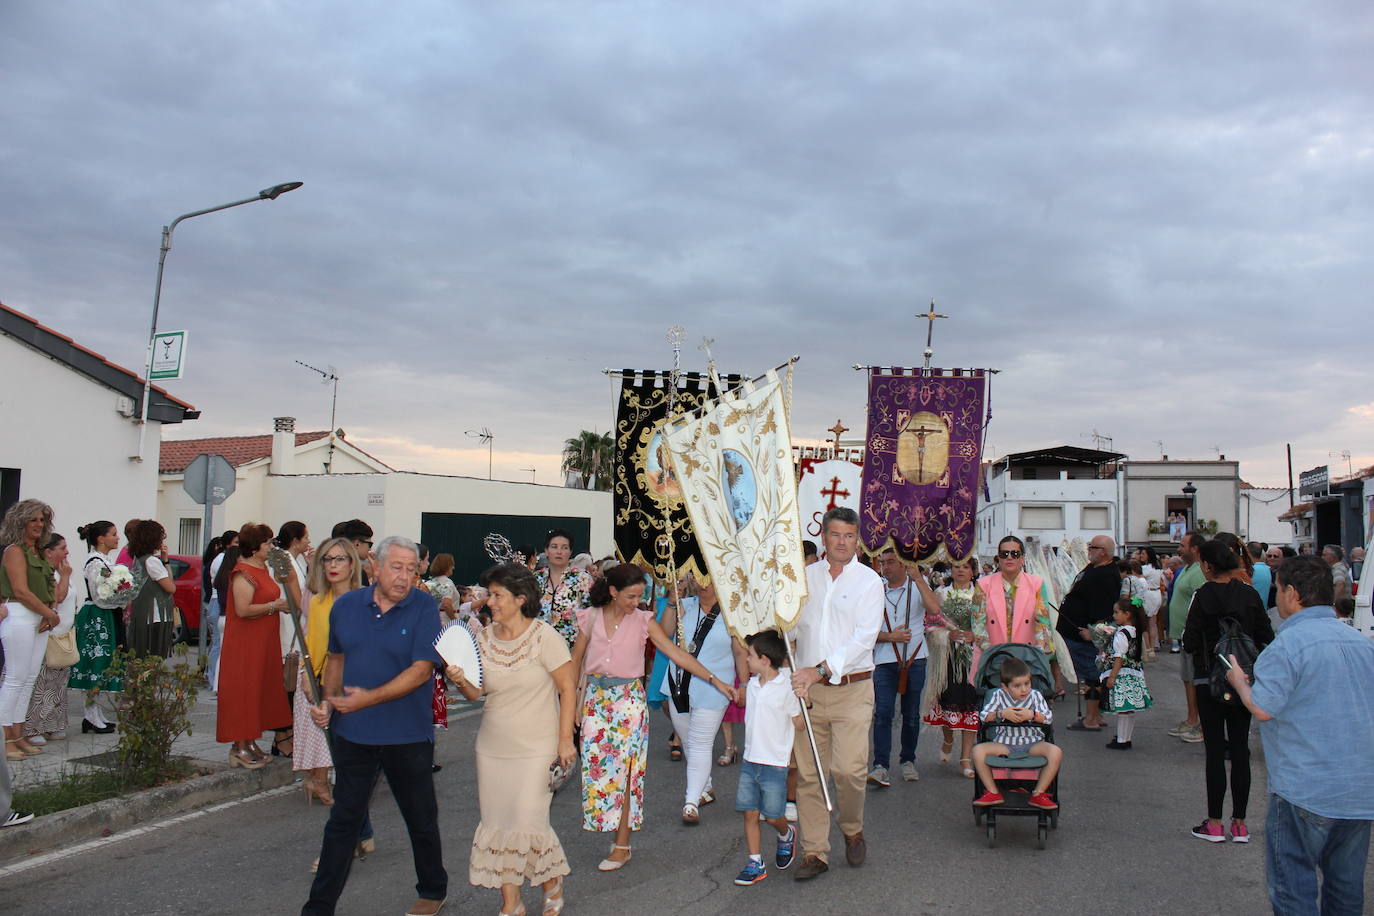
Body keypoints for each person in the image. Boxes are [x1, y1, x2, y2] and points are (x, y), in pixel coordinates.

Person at [303, 535, 447, 916]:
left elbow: (420, 671)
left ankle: (433, 889)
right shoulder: (346, 606)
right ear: (374, 568)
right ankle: (318, 908)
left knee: (420, 818)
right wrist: (328, 702)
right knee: (343, 822)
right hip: (353, 733)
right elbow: (336, 658)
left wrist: (367, 698)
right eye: (396, 568)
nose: (404, 577)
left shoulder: (424, 607)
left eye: (412, 569)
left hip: (408, 735)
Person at [1225, 555, 1374, 913]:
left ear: (1292, 593)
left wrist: (1239, 683)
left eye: (1277, 589)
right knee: (1346, 888)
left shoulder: (1287, 645)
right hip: (1359, 788)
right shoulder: (1362, 642)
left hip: (1305, 788)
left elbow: (1263, 707)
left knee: (1294, 889)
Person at [569, 562, 733, 872]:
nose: (637, 603)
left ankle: (621, 844)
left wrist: (714, 680)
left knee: (629, 773)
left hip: (629, 701)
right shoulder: (589, 618)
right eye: (631, 596)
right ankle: (608, 826)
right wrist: (571, 707)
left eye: (640, 596)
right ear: (613, 592)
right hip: (594, 701)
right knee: (598, 771)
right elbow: (574, 663)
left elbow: (678, 653)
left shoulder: (644, 621)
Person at [447, 563, 576, 916]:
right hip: (492, 748)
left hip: (537, 748)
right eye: (489, 594)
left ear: (520, 599)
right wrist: (459, 679)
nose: (489, 601)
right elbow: (477, 693)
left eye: (497, 595)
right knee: (498, 824)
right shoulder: (484, 639)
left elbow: (567, 687)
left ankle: (551, 881)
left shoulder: (543, 635)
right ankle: (511, 903)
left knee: (528, 822)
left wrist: (565, 740)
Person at [788, 507, 884, 881]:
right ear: (823, 536)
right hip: (809, 693)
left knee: (849, 770)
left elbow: (864, 639)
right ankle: (815, 852)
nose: (841, 542)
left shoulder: (868, 582)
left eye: (848, 535)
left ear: (856, 538)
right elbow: (791, 628)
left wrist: (823, 668)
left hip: (852, 690)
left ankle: (852, 828)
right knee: (810, 776)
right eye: (834, 535)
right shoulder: (803, 579)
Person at [1182, 539, 1274, 843]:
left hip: (1210, 679)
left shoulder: (1202, 596)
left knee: (1214, 753)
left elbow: (1190, 641)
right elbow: (1265, 635)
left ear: (1207, 566)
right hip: (1242, 680)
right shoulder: (1248, 594)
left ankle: (1214, 823)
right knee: (1239, 750)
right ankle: (1240, 824)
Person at [658, 576, 747, 823]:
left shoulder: (732, 611)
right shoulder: (685, 605)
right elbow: (664, 634)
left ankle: (690, 801)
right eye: (696, 577)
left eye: (706, 578)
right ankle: (705, 787)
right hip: (678, 684)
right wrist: (673, 602)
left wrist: (745, 684)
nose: (701, 583)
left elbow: (740, 652)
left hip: (715, 689)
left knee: (699, 743)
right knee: (688, 740)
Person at [217, 523, 292, 769]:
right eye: (268, 543)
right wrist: (275, 606)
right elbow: (243, 609)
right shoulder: (243, 572)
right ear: (255, 547)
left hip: (264, 640)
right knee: (244, 691)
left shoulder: (263, 569)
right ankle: (239, 746)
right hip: (246, 642)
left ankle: (249, 741)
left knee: (259, 690)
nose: (271, 547)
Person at [731, 629, 800, 887]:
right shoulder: (753, 686)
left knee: (772, 816)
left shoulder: (787, 686)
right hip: (751, 759)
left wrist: (806, 704)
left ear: (765, 660)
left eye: (750, 655)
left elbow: (799, 724)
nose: (745, 659)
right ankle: (755, 861)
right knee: (750, 813)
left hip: (775, 763)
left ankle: (785, 833)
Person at [0, 499, 61, 760]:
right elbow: (21, 591)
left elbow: (48, 585)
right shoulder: (14, 551)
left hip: (39, 618)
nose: (39, 524)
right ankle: (5, 740)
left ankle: (17, 734)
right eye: (33, 519)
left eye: (42, 520)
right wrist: (49, 613)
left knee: (27, 680)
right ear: (20, 521)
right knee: (15, 678)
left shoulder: (37, 551)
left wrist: (50, 611)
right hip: (19, 615)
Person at [868, 547, 929, 787]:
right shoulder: (875, 590)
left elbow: (934, 609)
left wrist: (919, 579)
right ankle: (880, 766)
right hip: (883, 661)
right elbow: (864, 631)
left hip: (915, 659)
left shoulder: (917, 587)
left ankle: (908, 760)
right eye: (883, 562)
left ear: (903, 564)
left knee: (911, 715)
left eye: (891, 562)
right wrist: (890, 637)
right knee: (883, 713)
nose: (886, 567)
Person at [970, 657, 1060, 811]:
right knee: (977, 751)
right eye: (1017, 686)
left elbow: (1048, 717)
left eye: (1027, 683)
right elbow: (984, 716)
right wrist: (1001, 713)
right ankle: (993, 792)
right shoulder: (998, 695)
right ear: (1005, 687)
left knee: (1055, 752)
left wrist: (1032, 715)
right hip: (1005, 744)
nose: (1024, 689)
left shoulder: (1035, 696)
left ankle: (1038, 793)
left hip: (1032, 743)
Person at [921, 555, 984, 779]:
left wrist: (974, 635)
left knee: (971, 705)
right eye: (957, 566)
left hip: (973, 657)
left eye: (965, 567)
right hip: (947, 658)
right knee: (947, 701)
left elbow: (988, 623)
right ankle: (948, 738)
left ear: (973, 571)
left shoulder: (981, 594)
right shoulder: (940, 594)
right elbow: (930, 624)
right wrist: (948, 634)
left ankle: (965, 757)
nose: (960, 570)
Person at [1055, 534, 1119, 731]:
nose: (1089, 548)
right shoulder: (1094, 567)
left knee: (1092, 677)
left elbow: (1105, 609)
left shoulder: (1108, 575)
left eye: (1094, 547)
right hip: (1074, 629)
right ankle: (1096, 715)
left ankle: (1091, 718)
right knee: (1091, 675)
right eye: (1090, 545)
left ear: (1105, 553)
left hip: (1085, 634)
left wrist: (1093, 632)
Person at [69, 521, 125, 732]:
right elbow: (99, 594)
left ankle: (95, 712)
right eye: (113, 534)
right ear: (101, 538)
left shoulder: (106, 561)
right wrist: (121, 598)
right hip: (97, 615)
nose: (117, 538)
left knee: (104, 662)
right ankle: (90, 714)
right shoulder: (95, 563)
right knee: (96, 662)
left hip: (107, 614)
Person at [23, 532, 76, 744]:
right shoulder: (48, 574)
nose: (67, 552)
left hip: (64, 633)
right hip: (48, 634)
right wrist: (64, 577)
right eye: (62, 548)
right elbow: (57, 598)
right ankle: (33, 727)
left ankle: (53, 724)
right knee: (42, 684)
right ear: (49, 551)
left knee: (58, 684)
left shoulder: (61, 572)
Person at [1166, 532, 1208, 743]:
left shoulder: (1199, 571)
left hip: (1193, 637)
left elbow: (1201, 602)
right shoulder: (1187, 569)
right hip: (1184, 636)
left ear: (1195, 549)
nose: (1179, 549)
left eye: (1182, 546)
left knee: (1194, 679)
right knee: (1187, 679)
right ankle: (1191, 719)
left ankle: (1197, 722)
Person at [1102, 598, 1151, 750]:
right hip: (1134, 672)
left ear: (1127, 614)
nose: (1114, 615)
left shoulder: (1122, 634)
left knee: (1123, 708)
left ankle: (1122, 740)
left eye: (1117, 612)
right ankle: (1126, 737)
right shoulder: (1135, 631)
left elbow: (1119, 656)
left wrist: (1112, 676)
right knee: (1129, 709)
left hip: (1122, 674)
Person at [536, 529, 592, 652]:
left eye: (565, 548)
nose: (559, 552)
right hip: (538, 647)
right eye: (554, 547)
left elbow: (591, 614)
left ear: (571, 552)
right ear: (546, 550)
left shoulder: (582, 578)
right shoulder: (535, 579)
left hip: (571, 649)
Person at [126, 520, 175, 659]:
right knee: (154, 658)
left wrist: (164, 560)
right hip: (155, 615)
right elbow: (171, 587)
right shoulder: (152, 561)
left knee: (141, 657)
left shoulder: (138, 559)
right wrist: (166, 563)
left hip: (142, 614)